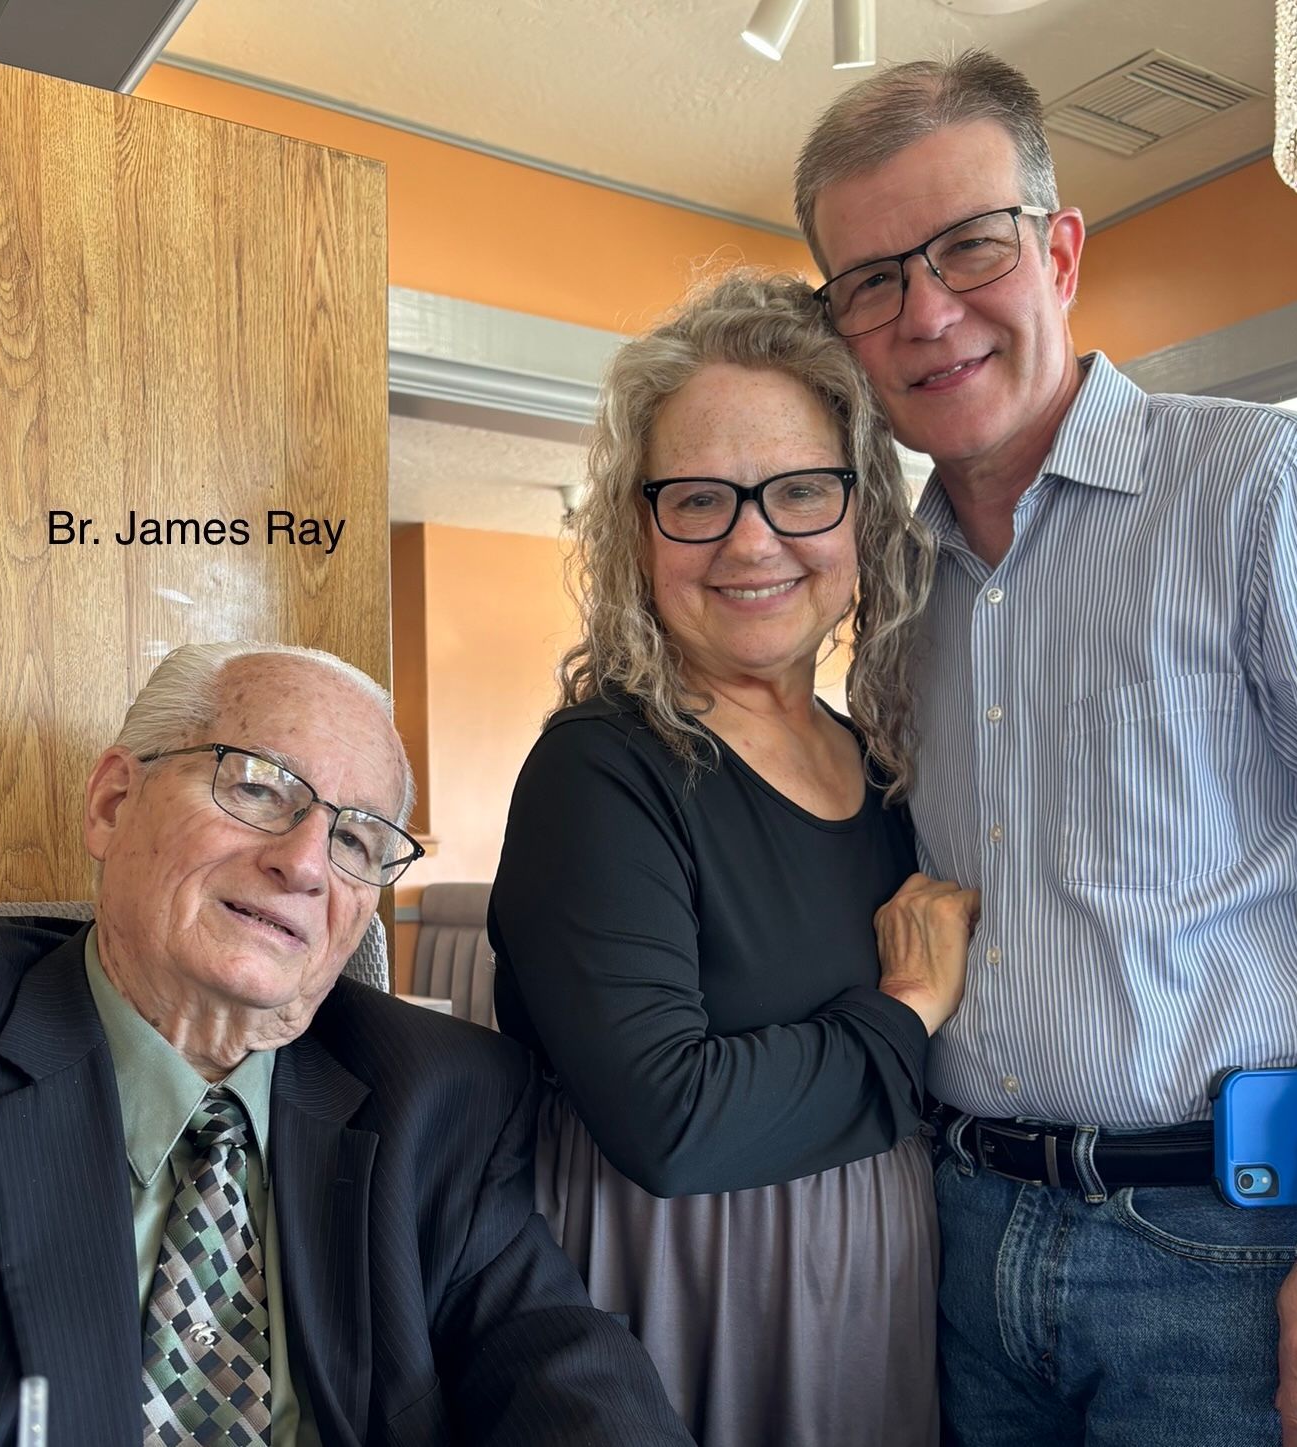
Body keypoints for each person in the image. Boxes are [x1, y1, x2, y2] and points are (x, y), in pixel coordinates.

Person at [794, 50, 1297, 1447]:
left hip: (1238, 1254)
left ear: (1062, 250)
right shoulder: (894, 595)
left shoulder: (1278, 494)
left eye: (969, 244)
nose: (928, 310)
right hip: (967, 1240)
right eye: (870, 282)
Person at [0, 641, 692, 1447]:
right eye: (259, 787)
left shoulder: (446, 1098)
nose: (305, 864)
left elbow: (566, 1377)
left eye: (357, 841)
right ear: (113, 803)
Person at [487, 270, 978, 1447]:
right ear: (636, 531)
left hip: (869, 1297)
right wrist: (905, 1009)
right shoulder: (605, 768)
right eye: (698, 499)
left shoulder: (882, 760)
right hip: (686, 1298)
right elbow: (672, 1121)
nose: (753, 540)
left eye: (801, 491)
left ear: (860, 517)